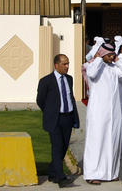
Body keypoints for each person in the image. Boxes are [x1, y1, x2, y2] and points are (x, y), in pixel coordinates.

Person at [36, 54, 79, 188]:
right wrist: (50, 112)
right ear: (56, 65)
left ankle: (53, 173)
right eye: (64, 64)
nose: (67, 66)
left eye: (68, 64)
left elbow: (70, 97)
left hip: (68, 117)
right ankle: (61, 178)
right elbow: (40, 100)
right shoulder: (46, 81)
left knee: (64, 147)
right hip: (54, 119)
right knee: (57, 146)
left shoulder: (69, 79)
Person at [83, 43, 122, 185]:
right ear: (102, 54)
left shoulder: (113, 68)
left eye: (113, 55)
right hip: (98, 111)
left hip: (114, 111)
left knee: (112, 141)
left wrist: (118, 61)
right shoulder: (93, 65)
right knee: (97, 141)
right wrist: (99, 58)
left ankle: (110, 172)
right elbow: (91, 74)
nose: (113, 57)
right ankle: (92, 173)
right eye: (110, 55)